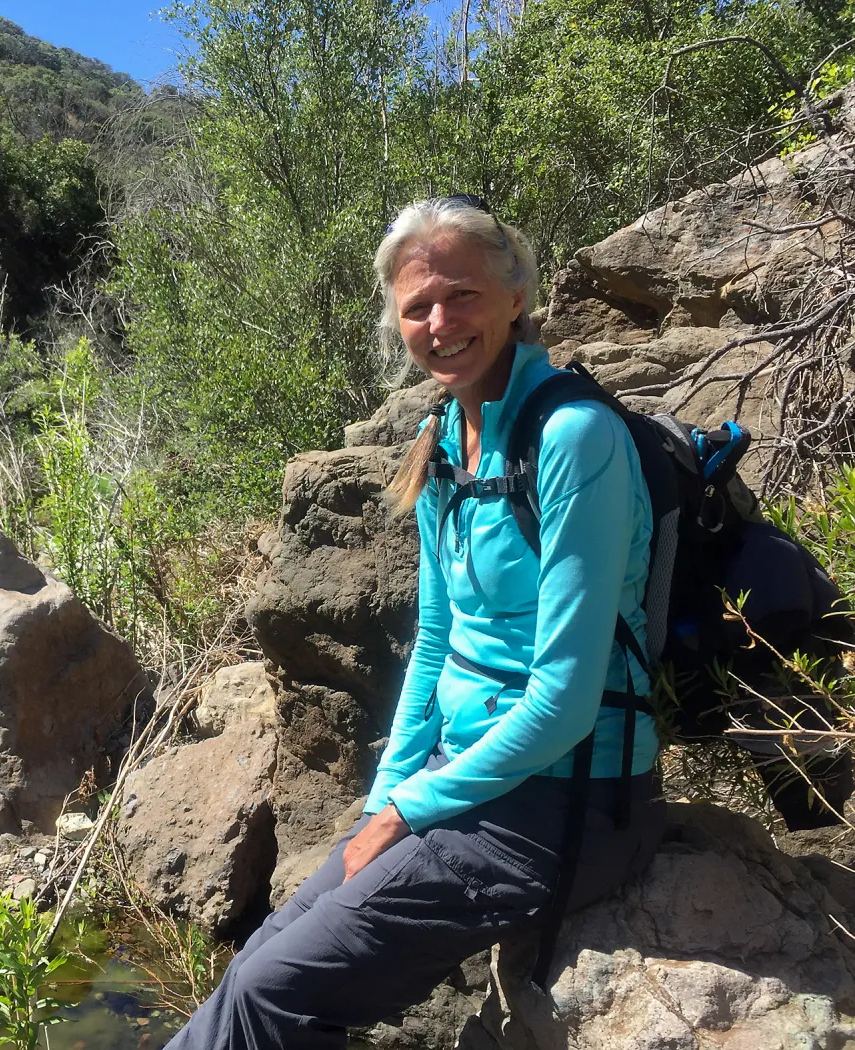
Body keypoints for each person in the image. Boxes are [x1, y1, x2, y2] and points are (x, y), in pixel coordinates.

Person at [164, 195, 667, 1050]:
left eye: (462, 295)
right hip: (464, 777)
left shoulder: (574, 439)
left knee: (269, 993)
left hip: (566, 804)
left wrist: (408, 812)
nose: (441, 322)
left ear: (515, 297)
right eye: (417, 307)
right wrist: (384, 799)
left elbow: (565, 702)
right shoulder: (442, 439)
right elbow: (435, 646)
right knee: (259, 957)